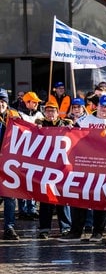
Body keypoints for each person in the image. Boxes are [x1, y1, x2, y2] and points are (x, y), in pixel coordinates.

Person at [59, 93, 106, 243]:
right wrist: (69, 128)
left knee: (99, 199)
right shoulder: (86, 120)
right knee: (79, 196)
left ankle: (97, 232)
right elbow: (73, 133)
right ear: (96, 106)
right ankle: (76, 231)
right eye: (101, 106)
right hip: (83, 165)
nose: (103, 109)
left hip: (105, 167)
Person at [35, 101, 73, 239]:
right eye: (48, 111)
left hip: (61, 167)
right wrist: (37, 127)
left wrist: (71, 129)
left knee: (62, 198)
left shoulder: (64, 124)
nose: (50, 114)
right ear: (45, 112)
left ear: (58, 113)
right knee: (45, 198)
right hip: (45, 167)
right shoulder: (40, 124)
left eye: (53, 111)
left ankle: (66, 227)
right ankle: (44, 228)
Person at [17, 91, 44, 220]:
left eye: (37, 102)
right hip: (22, 152)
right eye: (35, 102)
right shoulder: (18, 115)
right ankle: (22, 209)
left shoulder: (39, 115)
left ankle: (32, 208)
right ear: (27, 102)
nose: (37, 104)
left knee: (32, 180)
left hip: (36, 152)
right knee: (22, 180)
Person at [0, 88, 21, 240]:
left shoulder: (15, 115)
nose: (0, 104)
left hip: (9, 162)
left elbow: (27, 132)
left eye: (3, 101)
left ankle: (9, 227)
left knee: (9, 196)